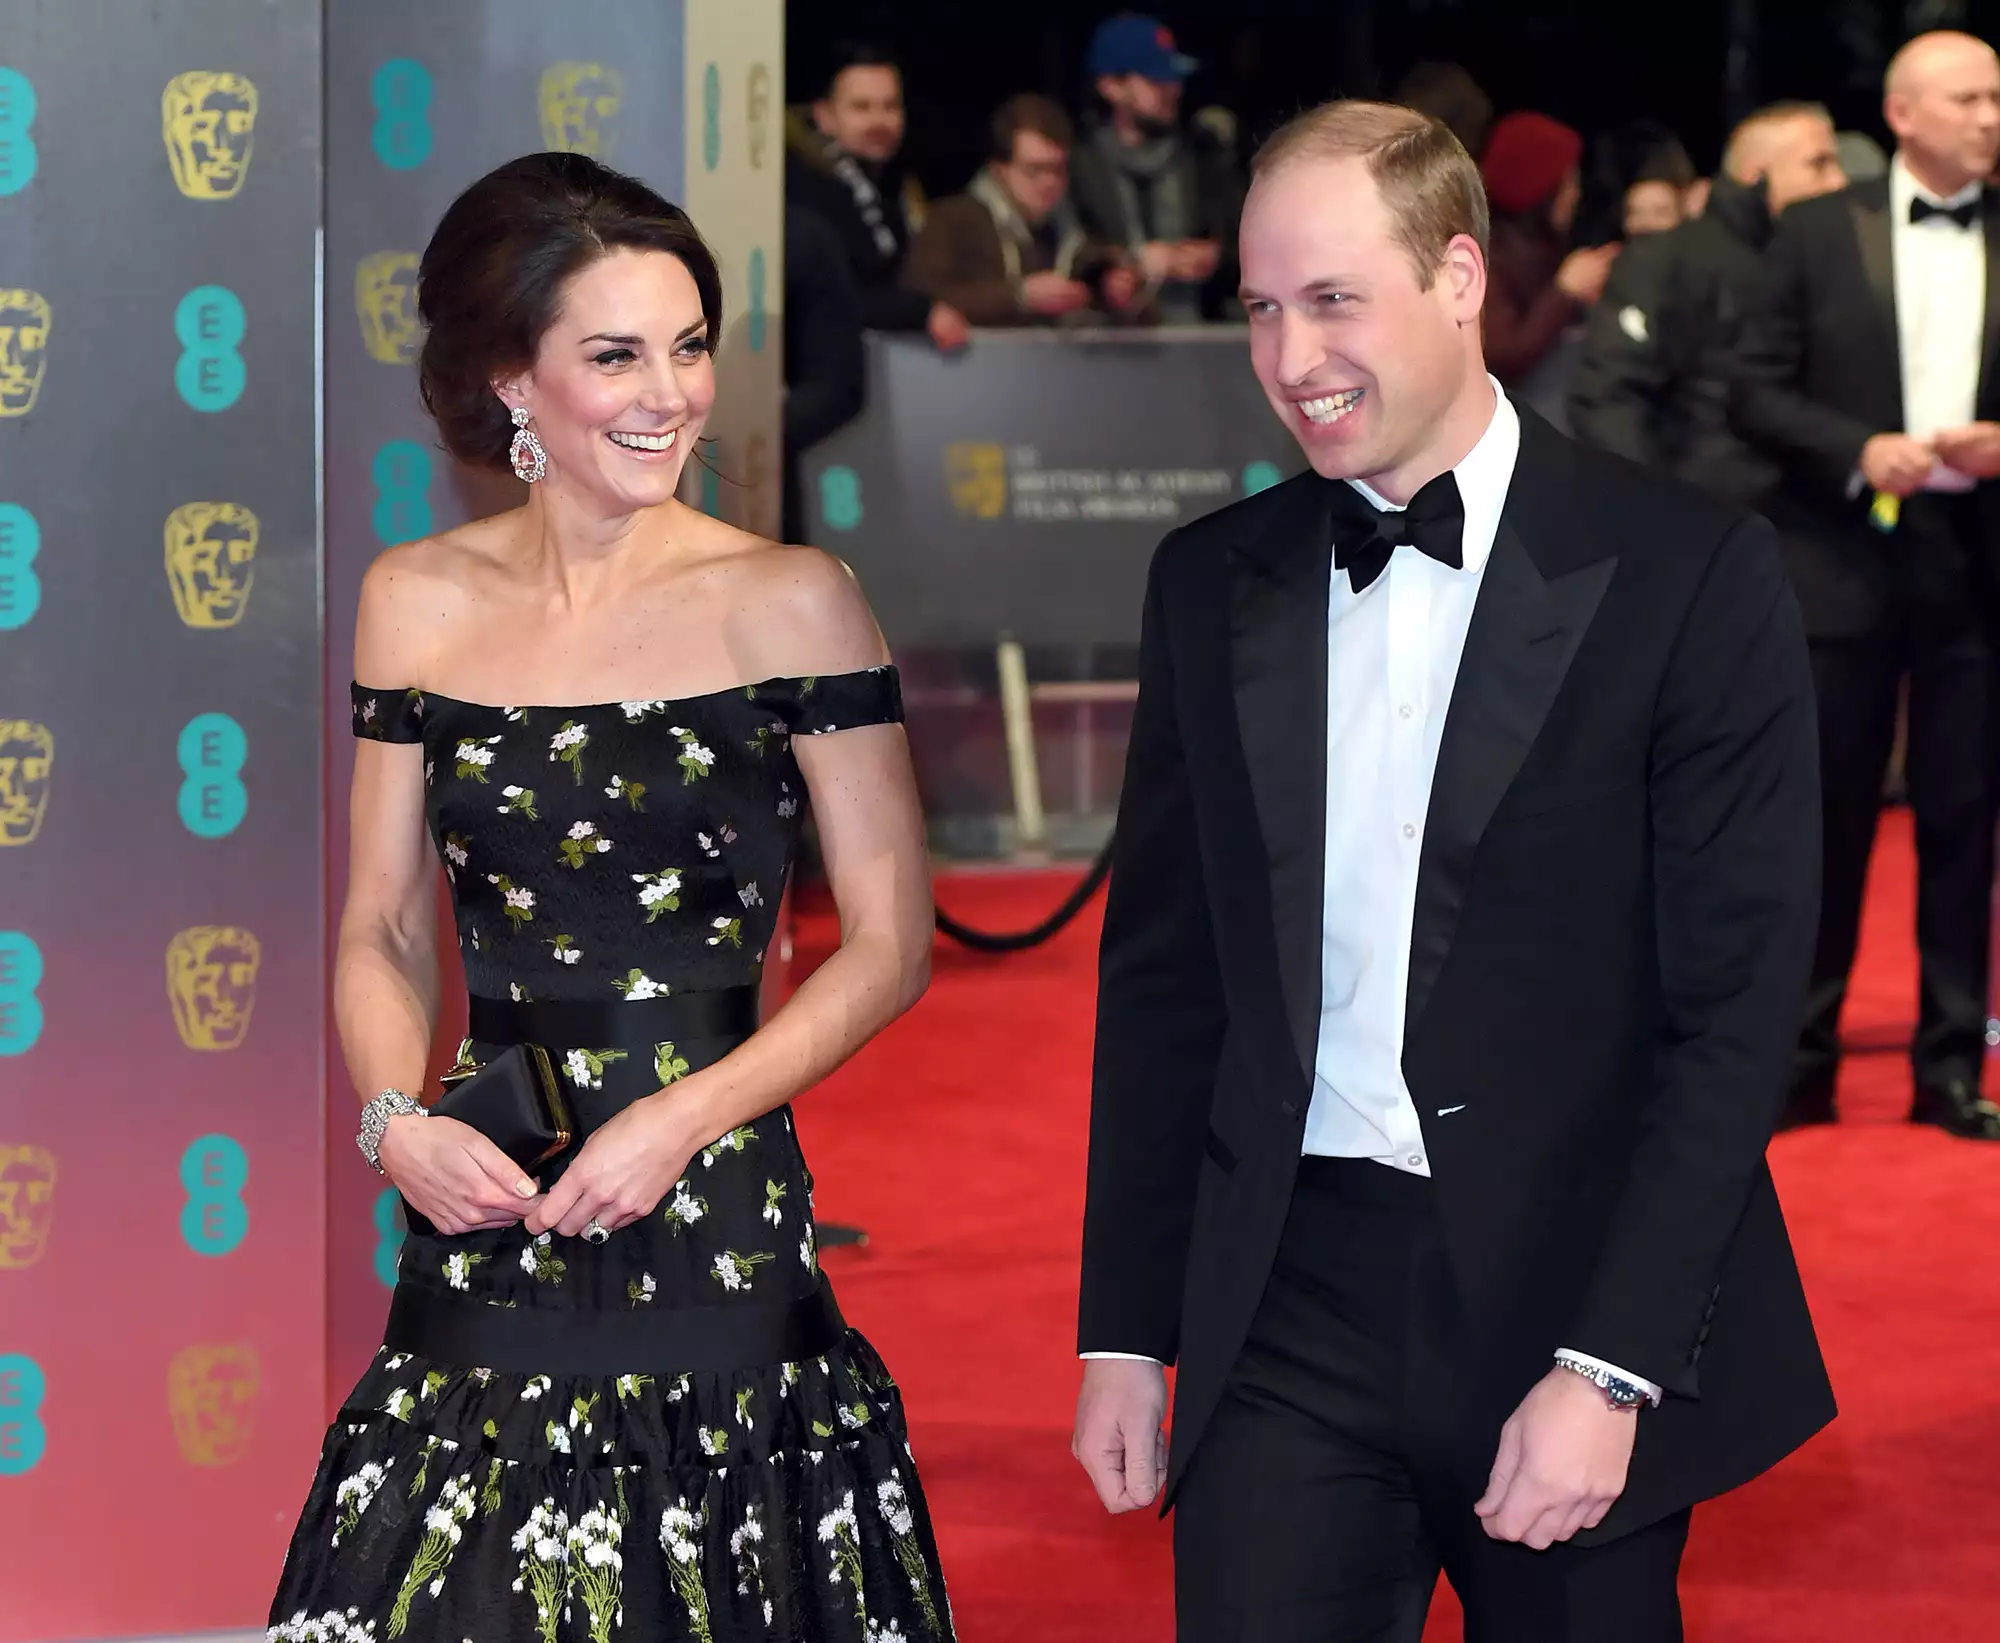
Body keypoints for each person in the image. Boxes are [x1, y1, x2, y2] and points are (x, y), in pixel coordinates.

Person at [1073, 99, 1833, 1641]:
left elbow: (1738, 1013)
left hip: (1567, 1287)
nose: (1293, 360)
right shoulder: (1211, 582)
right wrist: (1123, 1327)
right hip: (1282, 1290)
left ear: (1463, 275)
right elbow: (1166, 979)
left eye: (1335, 300)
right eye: (1262, 311)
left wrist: (1613, 1361)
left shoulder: (1687, 571)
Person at [268, 152, 953, 1641]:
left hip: (711, 1194)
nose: (673, 393)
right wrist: (399, 1124)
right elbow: (382, 921)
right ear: (513, 375)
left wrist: (684, 1114)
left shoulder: (794, 597)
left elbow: (894, 941)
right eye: (618, 355)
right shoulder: (416, 600)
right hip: (491, 1185)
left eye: (691, 345)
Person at [1733, 30, 2000, 1140]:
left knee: (1961, 816)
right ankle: (1797, 1059)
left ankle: (1946, 1065)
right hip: (1841, 552)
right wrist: (1860, 447)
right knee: (1824, 816)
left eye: (1995, 96)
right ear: (1900, 113)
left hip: (1976, 558)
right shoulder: (1808, 229)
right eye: (1969, 97)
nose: (1990, 114)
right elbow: (1747, 385)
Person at [1569, 101, 1847, 502]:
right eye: (1818, 164)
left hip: (1816, 521)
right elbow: (1607, 397)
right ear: (1757, 175)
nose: (1838, 182)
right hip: (1698, 515)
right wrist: (1660, 509)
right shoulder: (1668, 260)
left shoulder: (1825, 267)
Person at [787, 41, 970, 354]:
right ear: (824, 115)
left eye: (890, 106)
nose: (880, 121)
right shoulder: (807, 190)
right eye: (862, 107)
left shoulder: (897, 186)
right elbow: (836, 296)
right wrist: (922, 311)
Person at [905, 94, 1143, 327]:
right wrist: (1019, 296)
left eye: (1058, 169)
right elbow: (920, 298)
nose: (1049, 182)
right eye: (1035, 169)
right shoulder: (953, 220)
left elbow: (1140, 310)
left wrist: (1115, 290)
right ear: (999, 169)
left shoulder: (1075, 227)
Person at [1068, 12, 1245, 323]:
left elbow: (1243, 239)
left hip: (1200, 338)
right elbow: (1066, 250)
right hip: (1106, 344)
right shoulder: (1078, 165)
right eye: (1155, 80)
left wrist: (1215, 259)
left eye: (1174, 78)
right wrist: (1134, 262)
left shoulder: (1202, 158)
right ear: (1110, 86)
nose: (1172, 89)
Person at [1478, 111, 1618, 413]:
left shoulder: (1546, 246)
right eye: (1568, 184)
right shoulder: (1488, 259)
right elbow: (1504, 357)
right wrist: (1563, 292)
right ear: (1543, 192)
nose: (1576, 194)